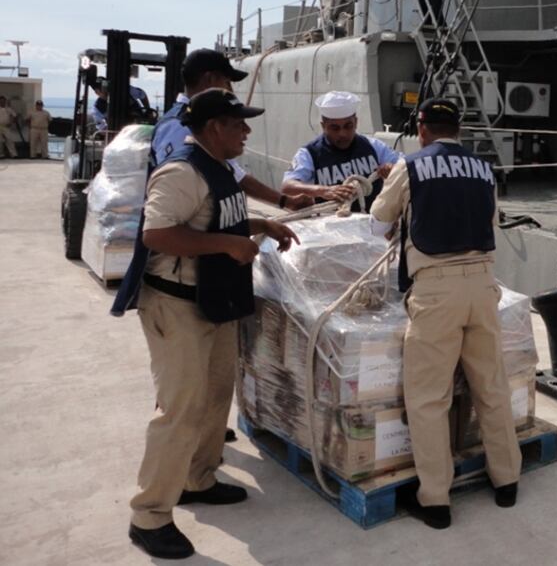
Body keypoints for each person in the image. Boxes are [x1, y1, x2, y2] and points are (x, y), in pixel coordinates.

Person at [124, 88, 299, 559]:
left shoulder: (219, 170)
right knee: (179, 409)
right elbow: (157, 233)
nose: (246, 131)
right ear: (214, 127)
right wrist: (227, 246)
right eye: (238, 123)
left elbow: (216, 219)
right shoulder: (182, 172)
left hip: (214, 303)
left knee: (216, 394)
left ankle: (196, 478)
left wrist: (260, 226)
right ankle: (149, 515)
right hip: (177, 306)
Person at [369, 98, 520, 530]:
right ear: (459, 128)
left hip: (435, 291)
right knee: (491, 385)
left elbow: (379, 224)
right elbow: (489, 222)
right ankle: (506, 479)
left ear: (422, 129)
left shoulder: (411, 166)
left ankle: (435, 500)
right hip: (482, 285)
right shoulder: (483, 169)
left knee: (428, 397)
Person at [153, 49, 312, 212]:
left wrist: (284, 201)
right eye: (228, 82)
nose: (231, 90)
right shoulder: (178, 126)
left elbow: (236, 175)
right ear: (210, 79)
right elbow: (173, 205)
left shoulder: (197, 123)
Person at [281, 90, 399, 213]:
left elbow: (404, 167)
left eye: (348, 126)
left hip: (369, 223)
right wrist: (323, 191)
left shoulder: (374, 147)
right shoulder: (309, 153)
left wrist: (392, 168)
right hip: (329, 226)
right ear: (323, 126)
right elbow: (287, 186)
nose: (342, 134)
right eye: (334, 128)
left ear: (356, 122)